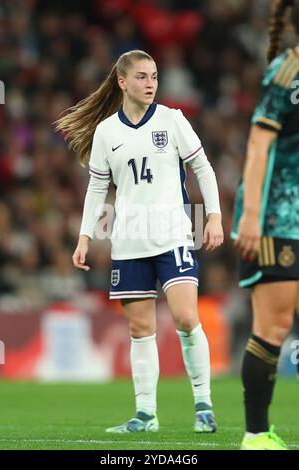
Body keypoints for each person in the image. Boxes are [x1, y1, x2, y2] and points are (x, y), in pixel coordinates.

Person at [55, 50, 223, 434]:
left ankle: (203, 405)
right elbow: (97, 186)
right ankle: (146, 415)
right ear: (122, 82)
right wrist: (84, 237)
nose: (151, 84)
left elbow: (202, 167)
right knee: (139, 330)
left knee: (185, 318)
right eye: (143, 77)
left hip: (172, 234)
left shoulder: (172, 120)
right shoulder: (106, 132)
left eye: (155, 77)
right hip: (129, 241)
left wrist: (213, 215)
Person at [232, 0, 299, 450]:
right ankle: (256, 435)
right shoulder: (287, 71)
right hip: (277, 218)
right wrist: (252, 217)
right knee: (274, 327)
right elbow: (259, 145)